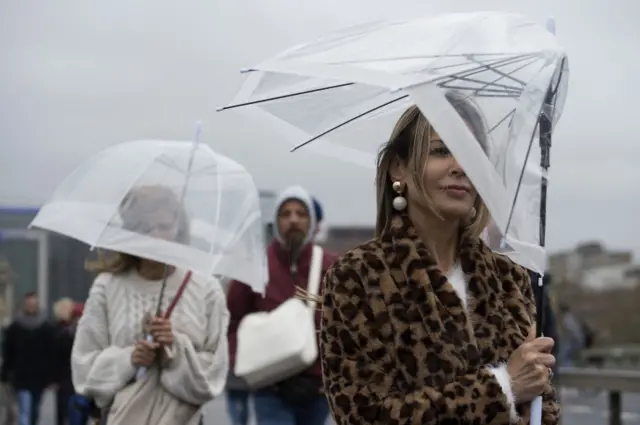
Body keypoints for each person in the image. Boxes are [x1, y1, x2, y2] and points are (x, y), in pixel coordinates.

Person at [316, 95, 559, 425]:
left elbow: (543, 406)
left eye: (473, 154)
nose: (460, 166)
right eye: (442, 150)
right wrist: (503, 388)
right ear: (397, 167)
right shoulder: (357, 277)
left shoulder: (509, 279)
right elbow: (363, 415)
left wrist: (537, 395)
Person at [71, 184, 230, 425]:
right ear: (130, 231)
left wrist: (174, 351)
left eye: (164, 226)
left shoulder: (206, 289)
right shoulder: (107, 287)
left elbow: (214, 374)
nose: (156, 236)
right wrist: (129, 359)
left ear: (178, 228)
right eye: (144, 228)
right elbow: (83, 369)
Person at [226, 185, 338, 425]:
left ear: (311, 221)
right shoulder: (254, 267)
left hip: (318, 390)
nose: (293, 220)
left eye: (301, 213)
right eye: (285, 214)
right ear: (276, 221)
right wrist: (243, 364)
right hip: (270, 388)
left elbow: (348, 325)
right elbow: (233, 320)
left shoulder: (332, 267)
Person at [0, 292, 55, 425]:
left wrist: (51, 376)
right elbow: (9, 352)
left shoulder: (45, 328)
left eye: (33, 304)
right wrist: (5, 372)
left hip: (39, 376)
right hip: (21, 375)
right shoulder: (15, 328)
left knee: (35, 409)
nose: (31, 307)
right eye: (29, 304)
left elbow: (51, 353)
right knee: (24, 410)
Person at [52, 297, 78, 425]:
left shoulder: (76, 329)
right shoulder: (57, 331)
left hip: (74, 374)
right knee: (63, 408)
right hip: (63, 376)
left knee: (74, 408)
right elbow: (54, 357)